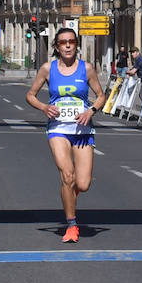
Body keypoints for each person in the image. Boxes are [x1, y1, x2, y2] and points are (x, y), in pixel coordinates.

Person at [25, 27, 106, 243]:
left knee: (83, 184)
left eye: (71, 41)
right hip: (58, 129)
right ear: (57, 47)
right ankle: (71, 225)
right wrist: (44, 107)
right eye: (63, 42)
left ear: (76, 45)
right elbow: (30, 95)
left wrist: (91, 111)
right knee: (67, 175)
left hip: (82, 130)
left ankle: (69, 194)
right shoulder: (47, 69)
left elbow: (100, 96)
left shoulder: (86, 69)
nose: (68, 45)